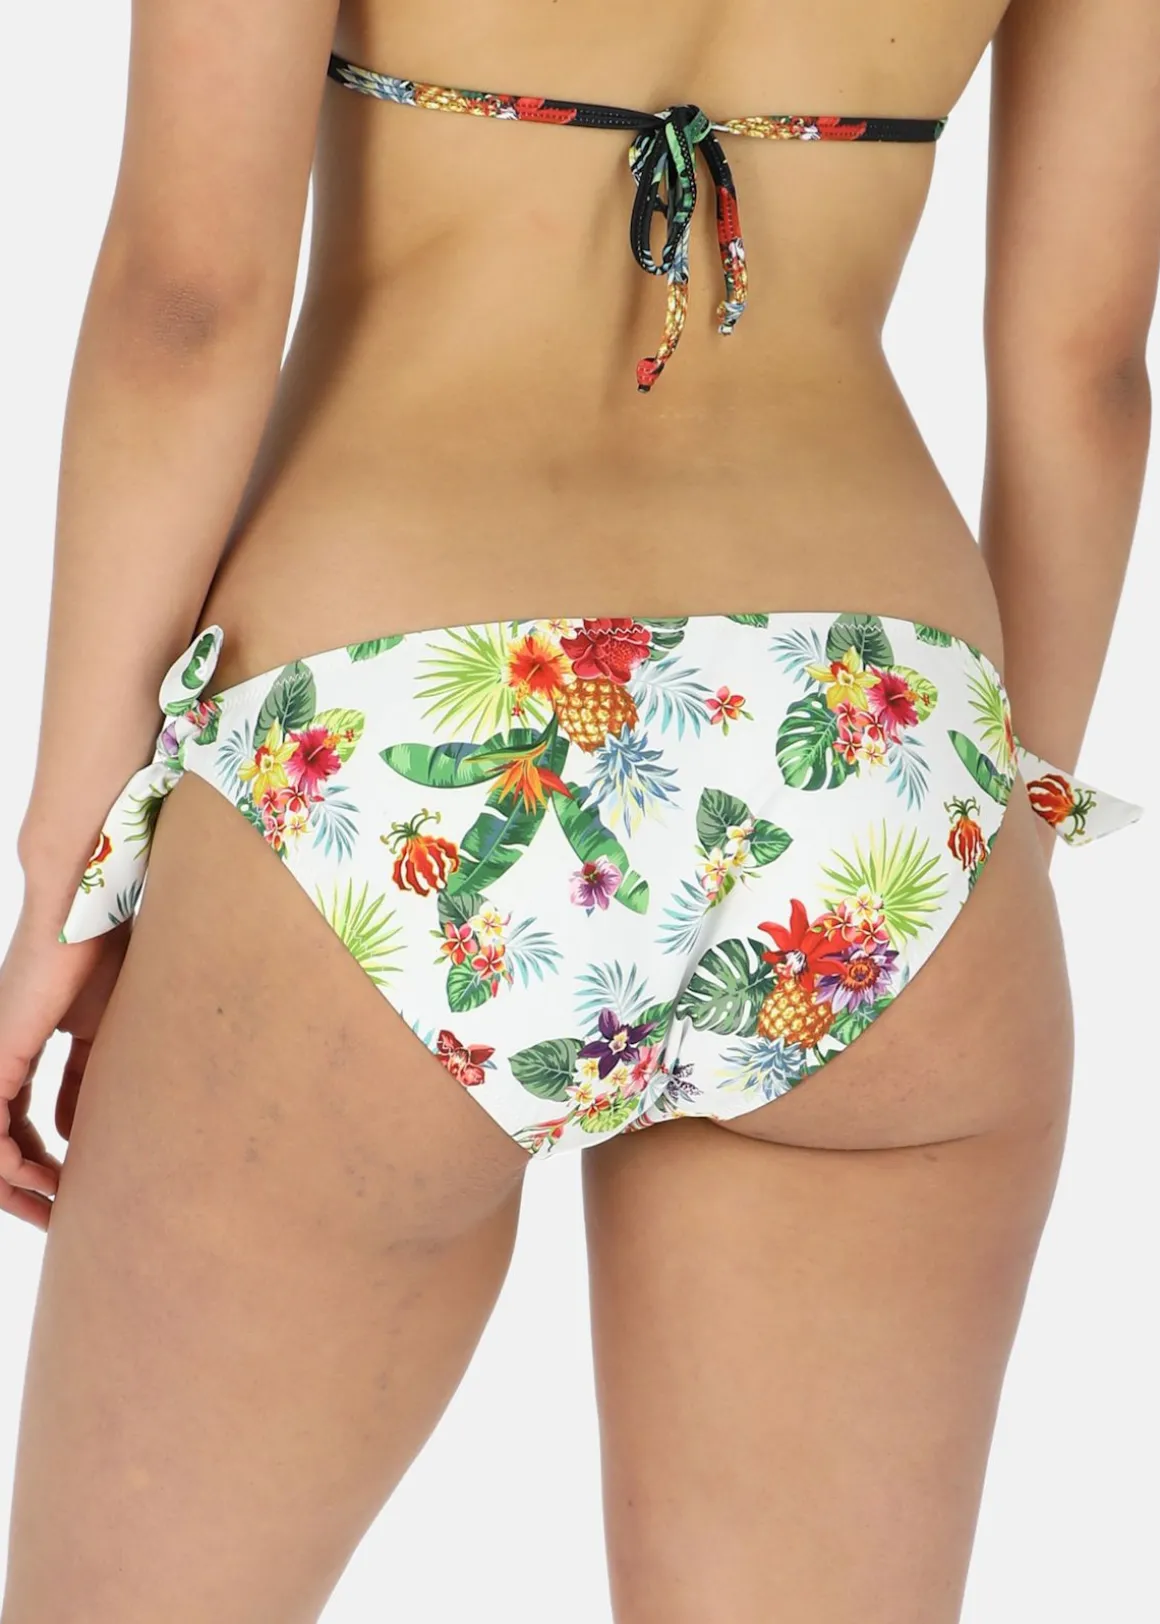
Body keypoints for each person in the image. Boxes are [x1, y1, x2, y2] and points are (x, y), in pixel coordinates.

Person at [0, 1, 1154, 1619]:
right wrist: (989, 833)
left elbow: (188, 303)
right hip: (876, 751)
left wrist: (75, 872)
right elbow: (1087, 373)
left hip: (399, 731)